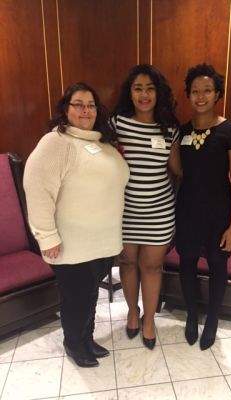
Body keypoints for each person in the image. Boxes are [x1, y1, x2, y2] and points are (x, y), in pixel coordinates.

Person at [23, 82, 129, 367]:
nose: (85, 110)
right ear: (65, 109)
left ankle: (87, 338)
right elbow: (36, 189)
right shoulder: (56, 142)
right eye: (78, 104)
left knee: (89, 295)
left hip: (103, 242)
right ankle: (74, 343)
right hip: (71, 244)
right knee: (77, 299)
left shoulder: (101, 143)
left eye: (91, 105)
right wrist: (47, 237)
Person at [176, 64, 231, 350]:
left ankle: (213, 320)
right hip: (188, 210)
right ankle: (192, 316)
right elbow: (177, 169)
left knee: (218, 265)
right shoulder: (182, 131)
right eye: (195, 91)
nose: (200, 96)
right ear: (188, 95)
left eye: (207, 90)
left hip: (219, 212)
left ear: (217, 94)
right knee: (187, 262)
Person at [111, 64, 181, 349]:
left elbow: (177, 169)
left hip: (159, 211)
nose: (144, 94)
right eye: (138, 88)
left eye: (149, 88)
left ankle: (149, 319)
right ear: (130, 93)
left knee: (152, 267)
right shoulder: (117, 124)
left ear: (158, 93)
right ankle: (132, 312)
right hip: (123, 212)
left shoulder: (170, 130)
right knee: (127, 263)